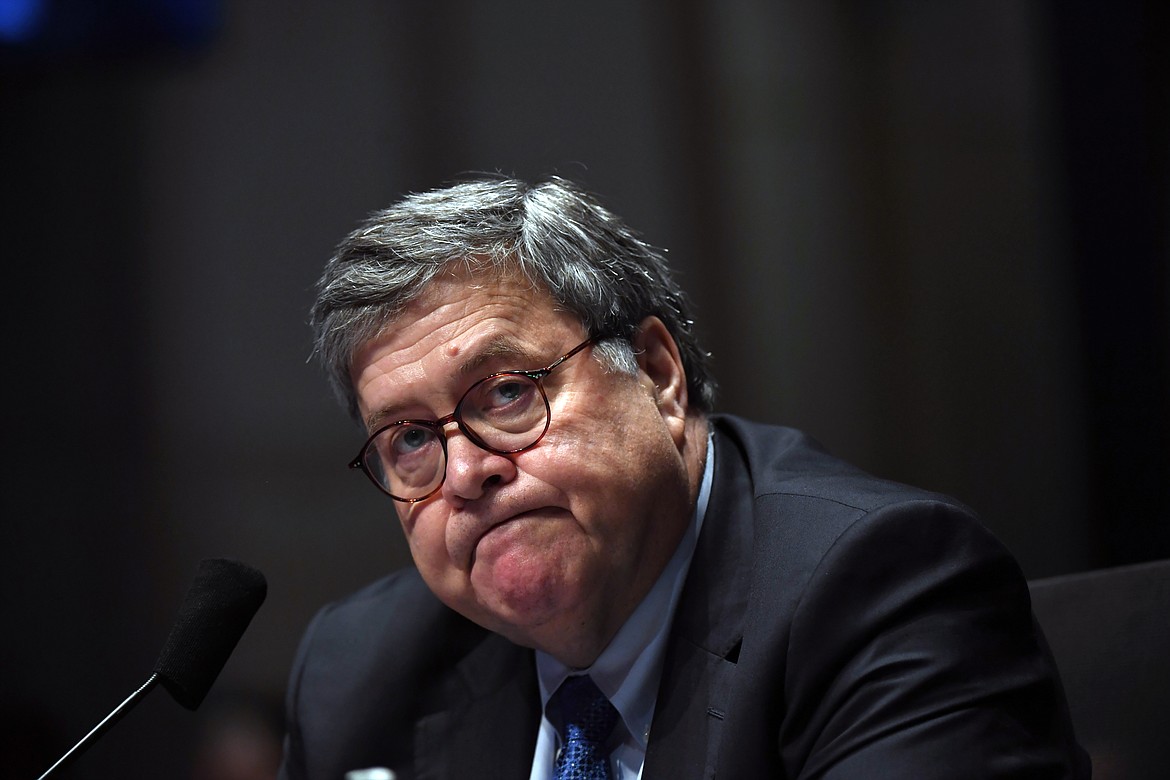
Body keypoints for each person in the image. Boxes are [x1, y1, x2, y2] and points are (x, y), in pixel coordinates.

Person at [279, 176, 1089, 779]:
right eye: (412, 437)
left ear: (660, 375)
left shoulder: (882, 588)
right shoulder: (360, 671)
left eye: (507, 392)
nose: (464, 472)